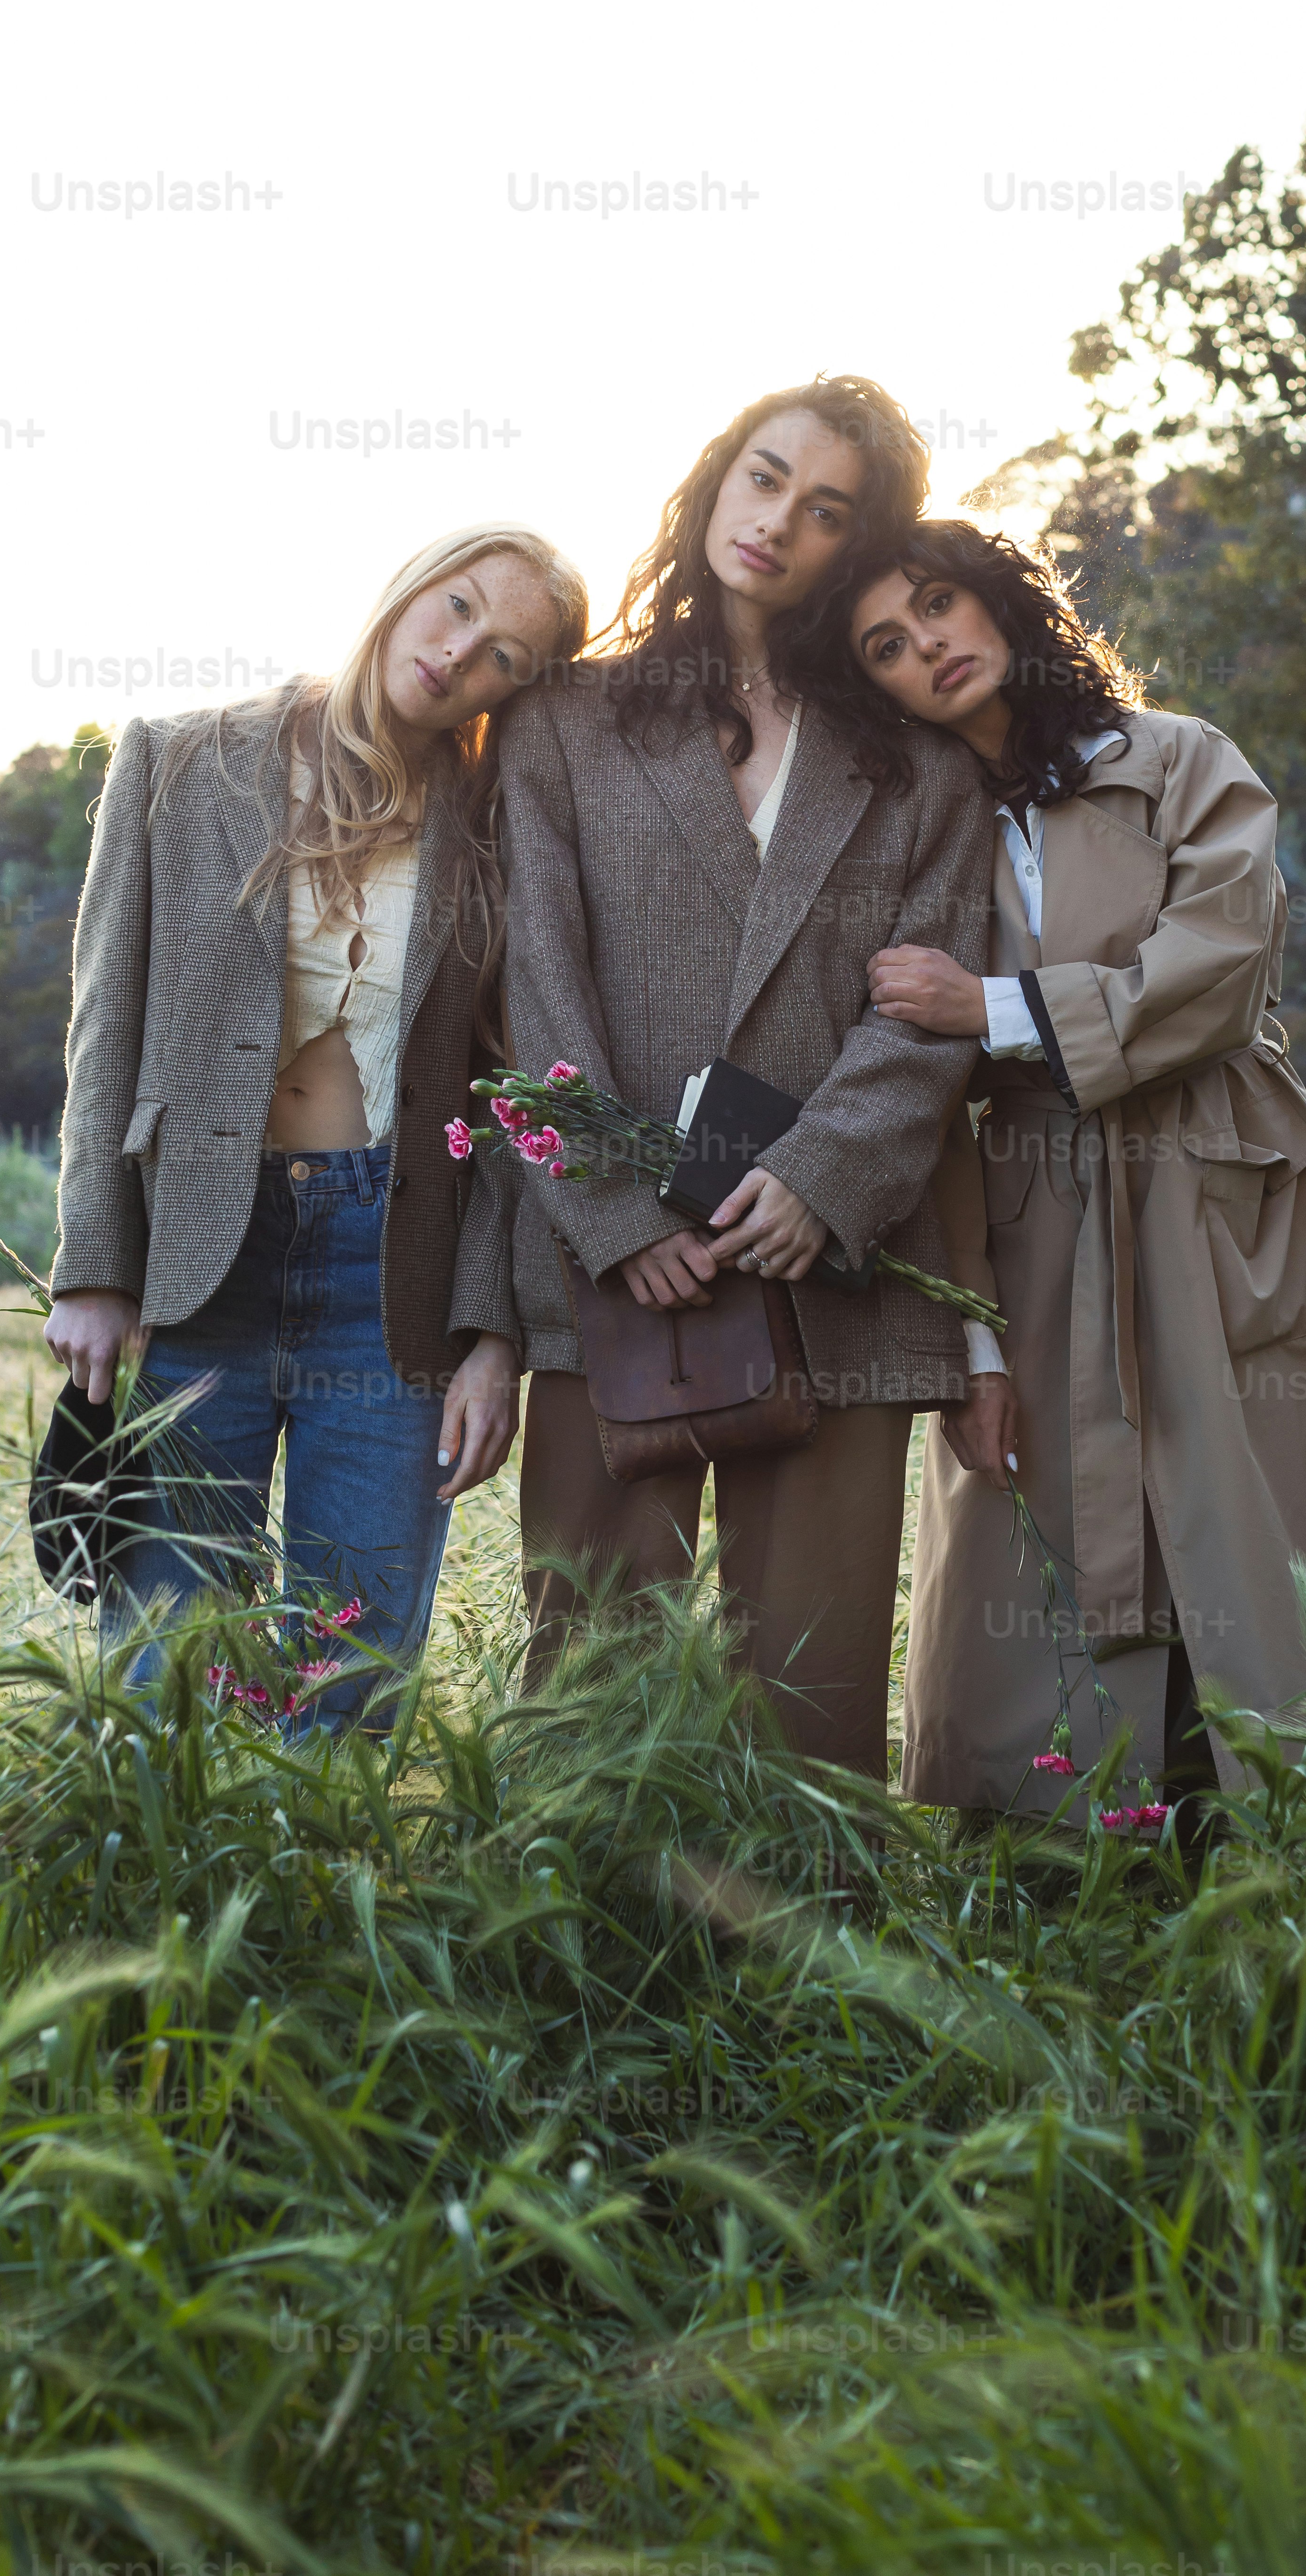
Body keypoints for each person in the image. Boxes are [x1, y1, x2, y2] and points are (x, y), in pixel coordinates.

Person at [815, 518, 1306, 1813]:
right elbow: (913, 1081)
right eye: (888, 647)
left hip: (1225, 1191)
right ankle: (1059, 1836)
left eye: (943, 605)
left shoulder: (1178, 760)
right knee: (1051, 1531)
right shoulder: (911, 830)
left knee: (1274, 1510)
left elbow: (1222, 968)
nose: (929, 649)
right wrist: (975, 1343)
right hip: (1026, 1211)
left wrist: (998, 1010)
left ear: (1005, 602)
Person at [494, 380, 995, 1779]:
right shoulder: (565, 726)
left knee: (810, 1691)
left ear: (860, 545)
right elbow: (532, 979)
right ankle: (577, 1975)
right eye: (766, 478)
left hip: (839, 1272)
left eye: (827, 510)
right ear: (717, 479)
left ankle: (805, 1987)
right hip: (619, 1282)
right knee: (591, 1669)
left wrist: (824, 1179)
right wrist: (616, 1213)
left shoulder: (917, 763)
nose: (780, 522)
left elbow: (931, 1012)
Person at [44, 526, 588, 1723]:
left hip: (392, 1274)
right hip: (200, 1260)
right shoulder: (179, 761)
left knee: (349, 1669)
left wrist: (492, 1332)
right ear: (408, 586)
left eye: (502, 655)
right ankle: (173, 1909)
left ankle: (314, 1909)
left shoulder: (498, 826)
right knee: (166, 1669)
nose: (457, 656)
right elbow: (104, 1032)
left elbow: (508, 1103)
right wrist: (92, 1265)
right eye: (453, 610)